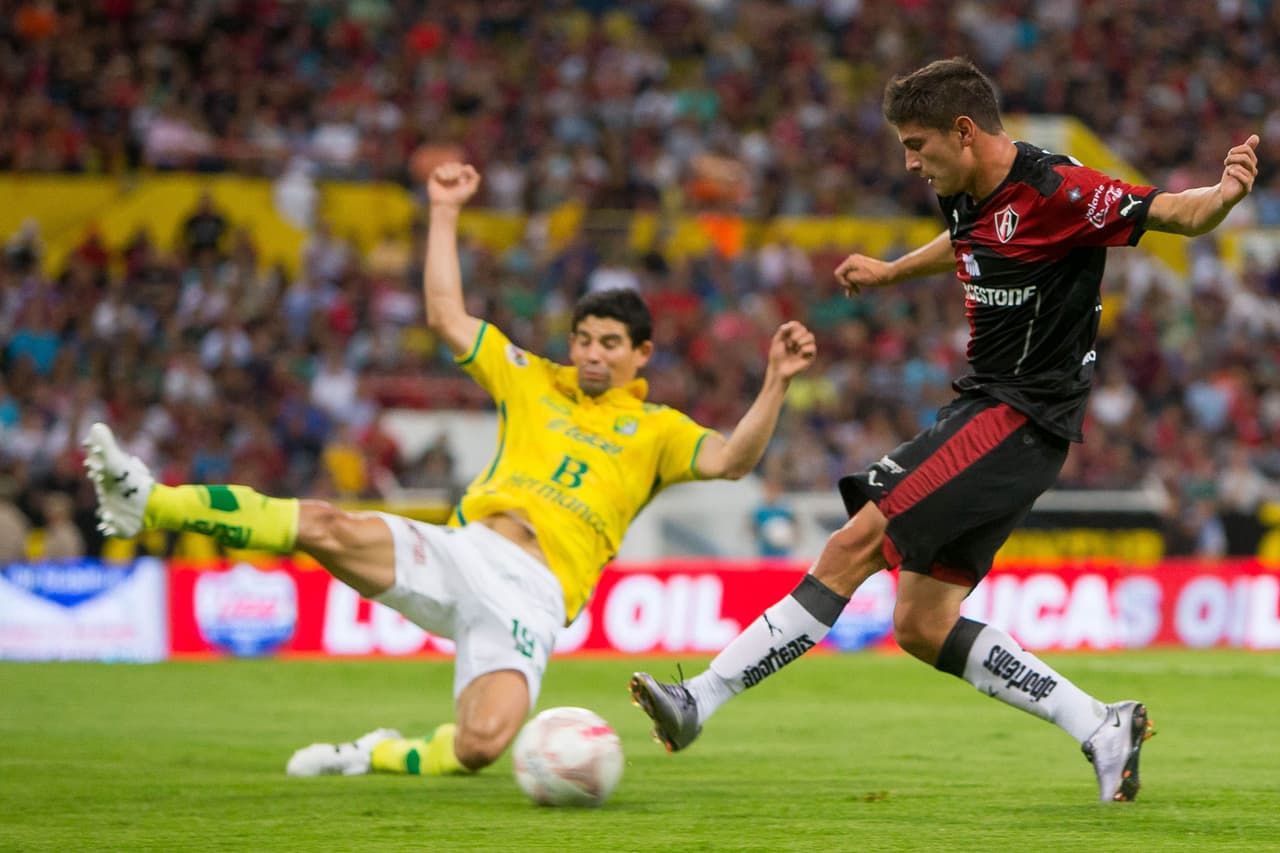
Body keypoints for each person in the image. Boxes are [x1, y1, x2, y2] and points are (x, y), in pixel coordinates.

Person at [630, 57, 1261, 804]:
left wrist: (1225, 192)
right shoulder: (964, 189)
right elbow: (970, 244)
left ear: (964, 132)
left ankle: (700, 697)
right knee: (923, 623)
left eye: (918, 143)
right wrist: (894, 271)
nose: (909, 161)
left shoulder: (1061, 191)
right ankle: (1101, 723)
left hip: (1017, 415)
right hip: (991, 414)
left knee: (854, 542)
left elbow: (1175, 214)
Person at [83, 161, 818, 779]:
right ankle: (150, 499)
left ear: (642, 355)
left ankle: (374, 752)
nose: (593, 352)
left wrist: (775, 382)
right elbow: (445, 315)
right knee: (323, 522)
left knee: (479, 746)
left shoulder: (658, 429)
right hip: (465, 550)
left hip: (534, 598)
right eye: (584, 338)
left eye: (611, 342)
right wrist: (443, 211)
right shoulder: (532, 377)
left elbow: (731, 460)